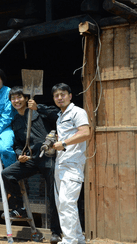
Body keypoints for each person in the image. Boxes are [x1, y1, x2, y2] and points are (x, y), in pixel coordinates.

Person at [1, 86, 62, 244]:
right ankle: (18, 208)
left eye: (19, 97)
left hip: (48, 156)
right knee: (7, 174)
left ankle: (56, 232)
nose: (16, 101)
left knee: (52, 194)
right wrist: (20, 154)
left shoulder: (38, 111)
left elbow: (58, 116)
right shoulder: (15, 121)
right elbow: (17, 144)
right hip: (31, 159)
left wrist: (38, 107)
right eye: (13, 98)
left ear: (25, 98)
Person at [51, 83, 91, 244]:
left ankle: (69, 241)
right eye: (56, 95)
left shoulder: (78, 112)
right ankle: (78, 238)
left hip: (73, 164)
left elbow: (85, 132)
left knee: (67, 203)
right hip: (61, 164)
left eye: (62, 94)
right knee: (64, 204)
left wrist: (64, 143)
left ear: (70, 96)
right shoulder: (60, 117)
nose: (59, 98)